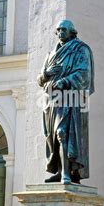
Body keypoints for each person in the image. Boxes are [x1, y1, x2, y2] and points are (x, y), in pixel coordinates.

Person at [37, 19, 95, 184]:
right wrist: (46, 74)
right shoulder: (50, 54)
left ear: (72, 32)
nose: (60, 32)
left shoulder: (80, 49)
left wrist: (65, 81)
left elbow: (84, 74)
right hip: (51, 101)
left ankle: (67, 174)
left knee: (63, 133)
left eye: (64, 29)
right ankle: (60, 169)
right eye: (58, 30)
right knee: (52, 136)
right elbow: (39, 80)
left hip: (70, 99)